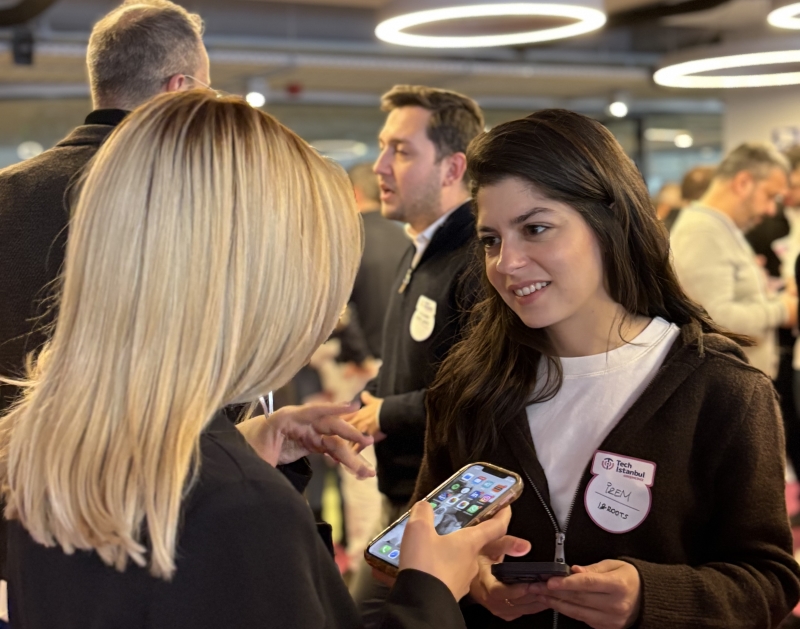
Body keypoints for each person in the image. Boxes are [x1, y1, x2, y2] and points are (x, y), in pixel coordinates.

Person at [0, 91, 515, 629]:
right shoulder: (241, 512)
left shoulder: (45, 451)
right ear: (263, 283)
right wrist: (430, 590)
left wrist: (235, 451)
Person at [412, 110, 800, 628]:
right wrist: (471, 581)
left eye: (536, 228)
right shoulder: (471, 384)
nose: (506, 263)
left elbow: (768, 581)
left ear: (609, 224)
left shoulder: (722, 390)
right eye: (491, 240)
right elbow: (422, 538)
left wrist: (650, 596)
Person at [0, 0, 209, 589]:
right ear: (178, 88)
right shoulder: (185, 205)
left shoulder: (6, 195)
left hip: (13, 529)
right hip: (147, 535)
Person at [346, 85, 484, 624]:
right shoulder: (419, 246)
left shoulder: (475, 257)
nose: (379, 165)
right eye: (384, 147)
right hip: (405, 498)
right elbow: (410, 367)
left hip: (442, 507)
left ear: (452, 168)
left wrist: (388, 411)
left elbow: (482, 391)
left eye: (401, 151)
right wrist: (366, 403)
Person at [671, 143, 797, 379]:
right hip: (728, 387)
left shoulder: (720, 227)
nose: (772, 209)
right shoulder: (702, 232)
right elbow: (718, 319)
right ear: (743, 183)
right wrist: (783, 310)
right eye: (770, 196)